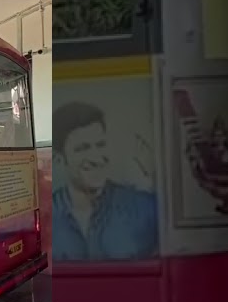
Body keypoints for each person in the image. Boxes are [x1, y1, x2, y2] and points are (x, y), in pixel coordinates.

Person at [52, 101, 157, 261]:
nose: (96, 158)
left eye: (100, 145)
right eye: (83, 148)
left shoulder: (145, 209)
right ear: (59, 159)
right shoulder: (45, 218)